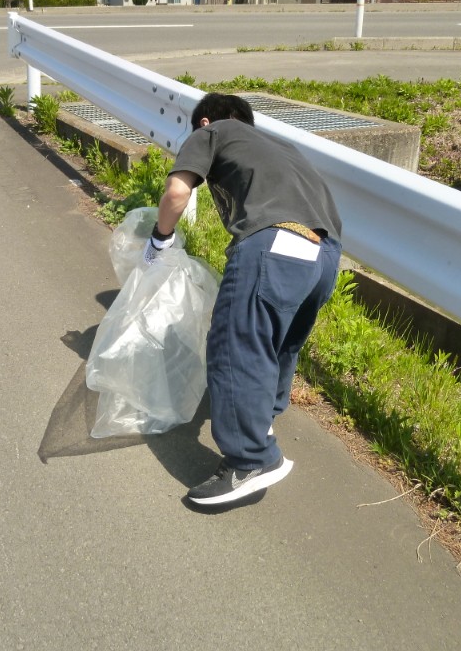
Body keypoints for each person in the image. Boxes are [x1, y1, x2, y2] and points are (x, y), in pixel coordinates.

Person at [145, 93, 342, 507]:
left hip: (274, 242)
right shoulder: (282, 147)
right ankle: (261, 422)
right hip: (325, 255)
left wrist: (160, 240)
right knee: (275, 344)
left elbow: (177, 193)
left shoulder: (213, 131)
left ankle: (252, 459)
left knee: (235, 344)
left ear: (204, 122)